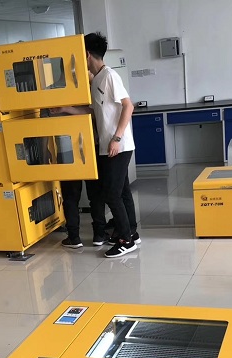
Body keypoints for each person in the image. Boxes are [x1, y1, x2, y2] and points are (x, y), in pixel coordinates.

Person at [53, 32, 140, 258]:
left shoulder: (109, 76)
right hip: (108, 145)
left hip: (118, 146)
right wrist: (66, 109)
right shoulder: (96, 79)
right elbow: (95, 111)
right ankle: (131, 232)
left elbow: (128, 106)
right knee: (121, 191)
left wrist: (116, 138)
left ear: (86, 54)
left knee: (111, 194)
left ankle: (126, 240)